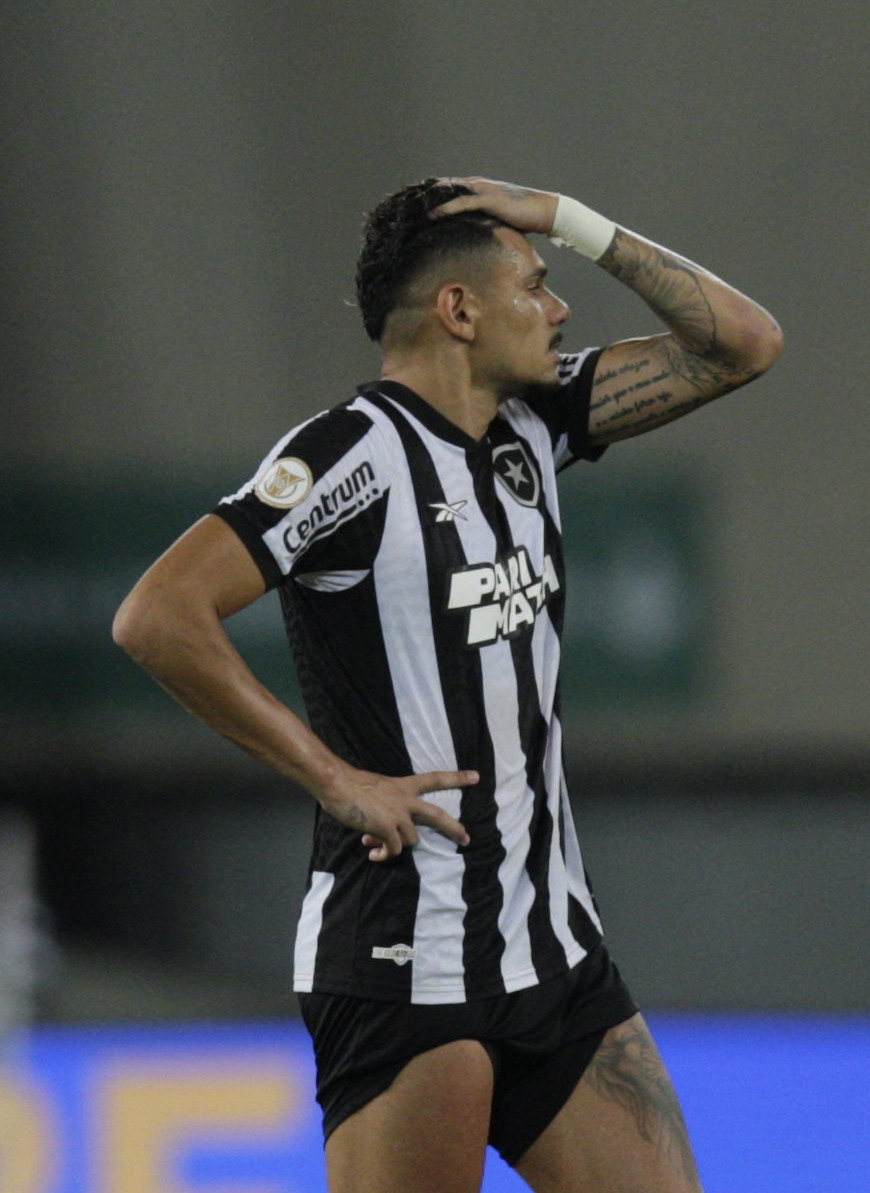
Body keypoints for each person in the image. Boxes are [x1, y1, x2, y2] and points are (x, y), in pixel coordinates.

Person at [112, 176, 782, 1193]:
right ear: (458, 310)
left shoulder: (536, 422)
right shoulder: (348, 457)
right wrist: (332, 775)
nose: (558, 309)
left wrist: (561, 214)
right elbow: (157, 614)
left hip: (553, 945)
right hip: (406, 954)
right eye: (536, 284)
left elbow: (743, 341)